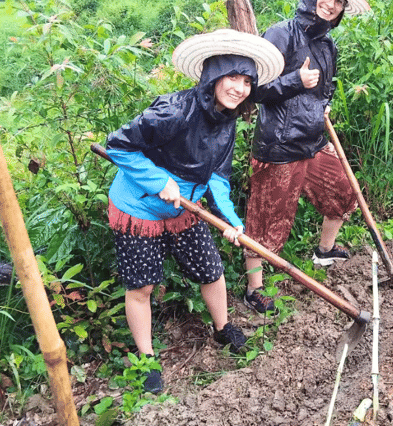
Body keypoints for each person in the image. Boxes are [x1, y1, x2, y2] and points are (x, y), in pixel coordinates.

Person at [104, 29, 283, 393]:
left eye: (247, 81)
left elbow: (218, 177)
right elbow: (117, 146)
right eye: (233, 77)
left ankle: (222, 328)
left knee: (211, 270)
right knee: (142, 286)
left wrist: (232, 222)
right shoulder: (173, 110)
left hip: (187, 208)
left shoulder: (227, 122)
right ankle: (146, 359)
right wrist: (158, 180)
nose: (240, 88)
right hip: (138, 207)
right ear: (213, 75)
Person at [242, 0, 371, 314]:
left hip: (314, 142)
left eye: (339, 0)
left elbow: (325, 89)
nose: (330, 4)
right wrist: (294, 81)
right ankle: (254, 289)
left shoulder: (328, 45)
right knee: (267, 219)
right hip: (280, 146)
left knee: (343, 192)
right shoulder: (280, 34)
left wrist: (324, 106)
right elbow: (253, 90)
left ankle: (325, 251)